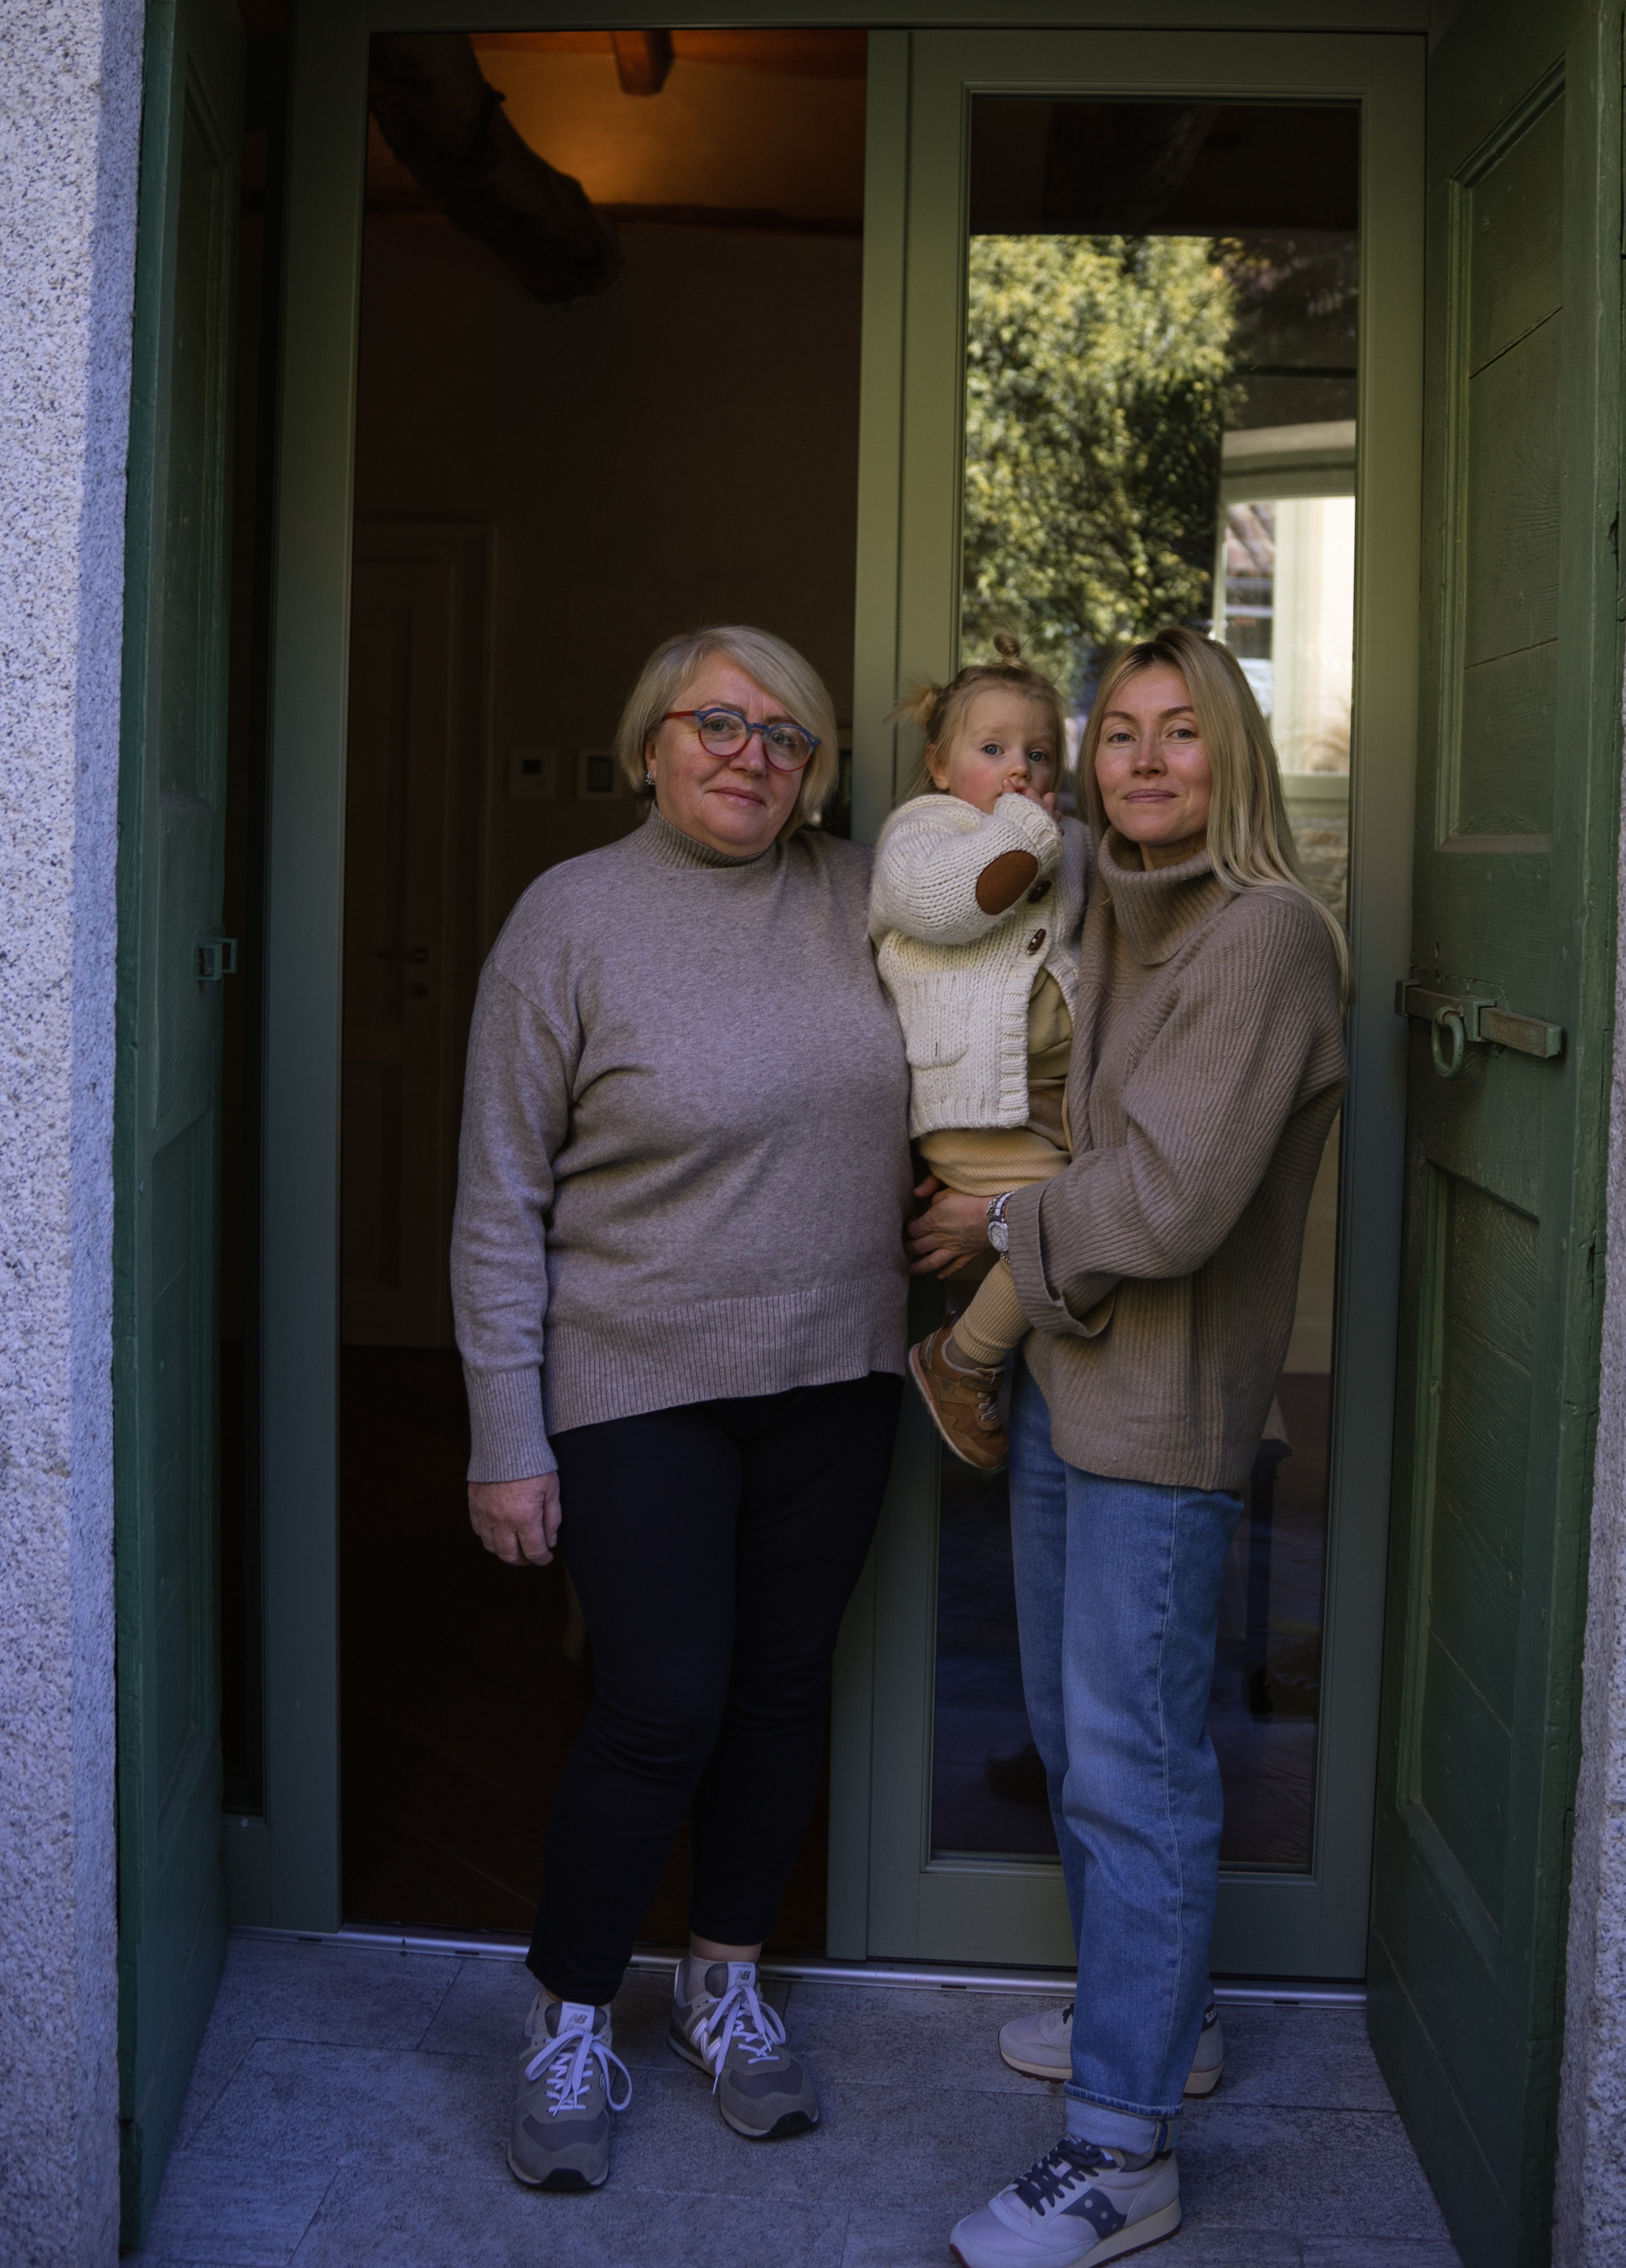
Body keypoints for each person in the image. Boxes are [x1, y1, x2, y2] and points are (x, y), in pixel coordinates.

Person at [450, 624, 911, 2196]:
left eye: (787, 736)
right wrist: (503, 1434)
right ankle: (570, 2012)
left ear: (818, 771)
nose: (750, 754)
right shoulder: (567, 920)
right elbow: (498, 1200)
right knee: (662, 1704)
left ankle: (724, 1988)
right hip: (636, 1380)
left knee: (782, 1691)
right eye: (716, 723)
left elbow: (1022, 935)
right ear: (648, 743)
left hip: (837, 1373)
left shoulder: (866, 898)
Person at [915, 626, 1350, 2268]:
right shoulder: (1118, 902)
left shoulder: (1264, 939)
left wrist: (1000, 1219)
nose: (1143, 762)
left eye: (1181, 734)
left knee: (1134, 1775)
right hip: (1063, 1381)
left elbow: (1163, 1202)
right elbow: (969, 865)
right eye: (1119, 739)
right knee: (1074, 1732)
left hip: (1158, 1416)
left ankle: (1119, 2150)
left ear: (1230, 758)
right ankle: (1166, 2024)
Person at [867, 636, 1090, 1473]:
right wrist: (1029, 829)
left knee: (1089, 1218)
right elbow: (958, 901)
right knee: (1074, 1227)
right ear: (937, 765)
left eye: (1038, 753)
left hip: (1055, 1094)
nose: (1017, 770)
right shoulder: (923, 835)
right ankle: (961, 1362)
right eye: (991, 750)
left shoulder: (1062, 841)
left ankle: (985, 1349)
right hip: (970, 1101)